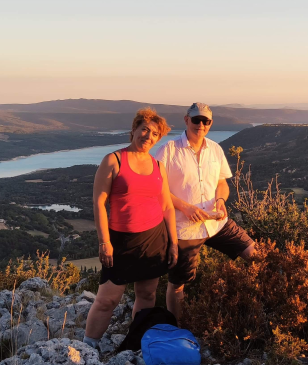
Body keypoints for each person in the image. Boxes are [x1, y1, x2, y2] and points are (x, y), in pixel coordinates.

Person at [83, 108, 178, 349]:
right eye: (144, 129)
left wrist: (173, 243)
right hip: (120, 241)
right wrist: (104, 242)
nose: (148, 136)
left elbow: (166, 205)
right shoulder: (113, 160)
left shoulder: (158, 166)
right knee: (107, 299)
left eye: (155, 133)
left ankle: (137, 342)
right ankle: (88, 347)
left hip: (154, 239)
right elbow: (98, 202)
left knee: (146, 295)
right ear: (133, 130)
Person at [155, 102, 256, 320]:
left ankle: (260, 309)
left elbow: (222, 183)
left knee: (255, 254)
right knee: (177, 284)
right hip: (184, 228)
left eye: (206, 121)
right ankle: (178, 328)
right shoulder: (168, 150)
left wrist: (221, 200)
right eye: (196, 120)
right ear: (186, 120)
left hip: (216, 223)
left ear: (210, 124)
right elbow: (157, 189)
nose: (200, 125)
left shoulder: (215, 149)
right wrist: (185, 207)